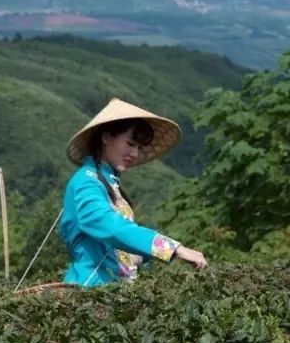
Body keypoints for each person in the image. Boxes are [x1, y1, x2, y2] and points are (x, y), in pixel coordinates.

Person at [60, 98, 207, 287]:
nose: (135, 154)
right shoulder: (86, 182)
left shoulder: (110, 183)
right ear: (106, 137)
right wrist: (173, 248)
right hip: (90, 291)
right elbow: (108, 226)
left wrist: (145, 255)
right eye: (130, 143)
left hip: (114, 292)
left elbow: (117, 249)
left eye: (139, 147)